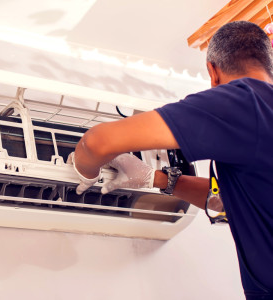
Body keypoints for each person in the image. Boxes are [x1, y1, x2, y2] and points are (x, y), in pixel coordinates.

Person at [69, 21, 273, 299]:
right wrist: (155, 178)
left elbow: (96, 142)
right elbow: (229, 200)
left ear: (212, 71)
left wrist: (84, 175)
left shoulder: (245, 103)